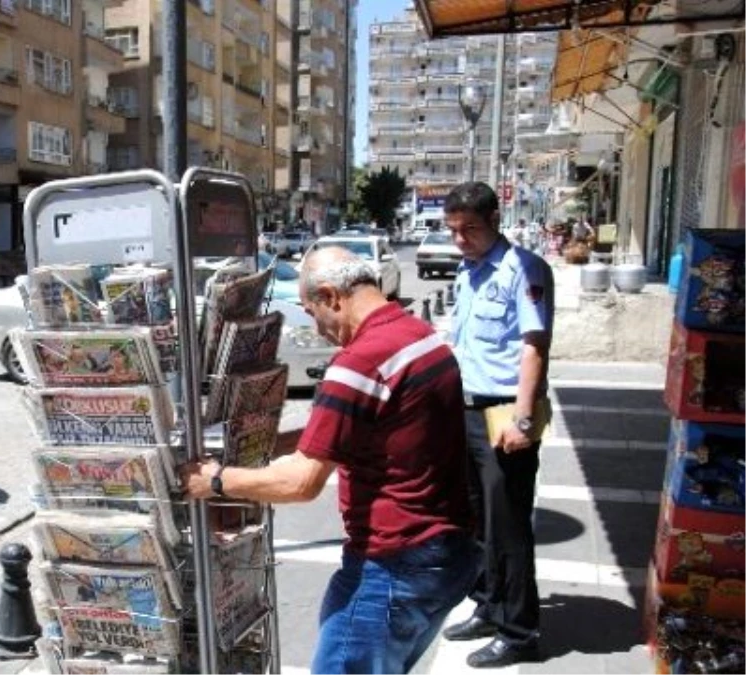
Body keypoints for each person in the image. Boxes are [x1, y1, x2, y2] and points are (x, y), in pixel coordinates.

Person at [183, 246, 475, 674]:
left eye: (311, 312)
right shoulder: (420, 336)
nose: (318, 331)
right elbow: (369, 425)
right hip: (446, 554)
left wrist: (215, 481)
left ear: (331, 296)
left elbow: (301, 484)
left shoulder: (358, 362)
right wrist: (275, 443)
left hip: (393, 564)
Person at [441, 182, 554, 668]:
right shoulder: (468, 273)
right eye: (453, 230)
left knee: (508, 527)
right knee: (478, 520)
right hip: (465, 409)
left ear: (494, 221)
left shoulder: (524, 270)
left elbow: (534, 346)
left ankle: (519, 631)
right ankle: (489, 606)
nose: (460, 239)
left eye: (469, 229)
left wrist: (523, 419)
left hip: (504, 412)